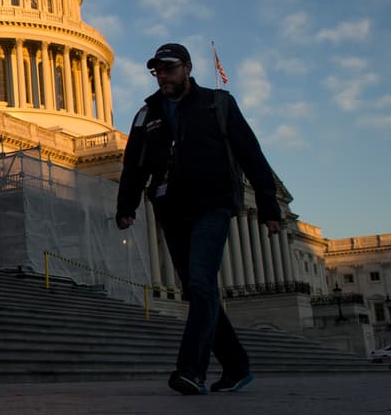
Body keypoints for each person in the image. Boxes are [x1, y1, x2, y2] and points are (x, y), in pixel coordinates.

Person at [115, 42, 281, 396]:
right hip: (169, 207)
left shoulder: (217, 104)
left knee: (203, 285)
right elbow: (133, 165)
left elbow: (251, 153)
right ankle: (236, 365)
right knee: (197, 290)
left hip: (212, 205)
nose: (164, 76)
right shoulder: (148, 114)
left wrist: (269, 207)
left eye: (170, 68)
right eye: (158, 70)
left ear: (188, 68)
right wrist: (126, 206)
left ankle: (191, 370)